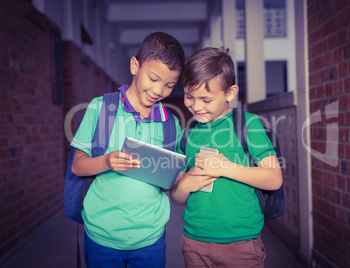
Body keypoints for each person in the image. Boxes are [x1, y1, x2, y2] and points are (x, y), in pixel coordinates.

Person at [70, 32, 185, 267]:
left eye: (169, 85)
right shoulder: (101, 109)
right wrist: (107, 161)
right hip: (102, 235)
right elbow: (78, 166)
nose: (158, 90)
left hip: (151, 238)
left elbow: (169, 182)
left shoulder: (170, 123)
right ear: (135, 66)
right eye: (153, 78)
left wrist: (176, 177)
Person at [171, 47, 283, 268]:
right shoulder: (188, 133)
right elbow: (177, 197)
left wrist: (225, 168)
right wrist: (186, 184)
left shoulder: (248, 125)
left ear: (230, 94)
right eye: (189, 96)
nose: (196, 106)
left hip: (240, 246)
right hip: (194, 242)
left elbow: (274, 178)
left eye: (206, 98)